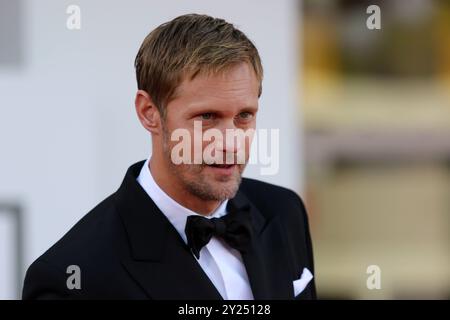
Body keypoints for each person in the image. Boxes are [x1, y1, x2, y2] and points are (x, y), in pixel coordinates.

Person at [22, 13, 316, 300]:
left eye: (244, 116)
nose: (230, 142)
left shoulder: (284, 211)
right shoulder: (72, 277)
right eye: (207, 117)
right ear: (149, 113)